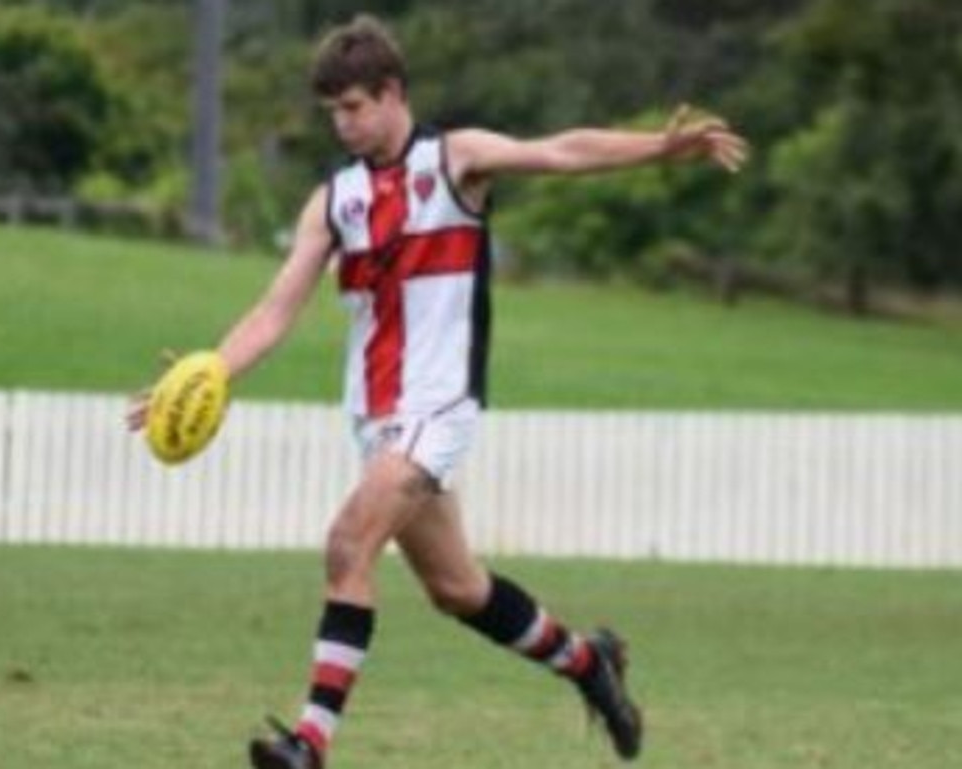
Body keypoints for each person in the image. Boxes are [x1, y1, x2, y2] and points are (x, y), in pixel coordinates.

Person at [129, 14, 747, 769]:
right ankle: (590, 663)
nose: (343, 124)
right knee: (458, 588)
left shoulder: (456, 160)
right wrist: (207, 374)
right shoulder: (333, 202)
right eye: (333, 112)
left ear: (392, 94)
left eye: (353, 107)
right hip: (376, 418)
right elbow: (274, 309)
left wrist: (658, 146)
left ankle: (309, 742)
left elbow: (559, 151)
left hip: (440, 407)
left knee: (348, 542)